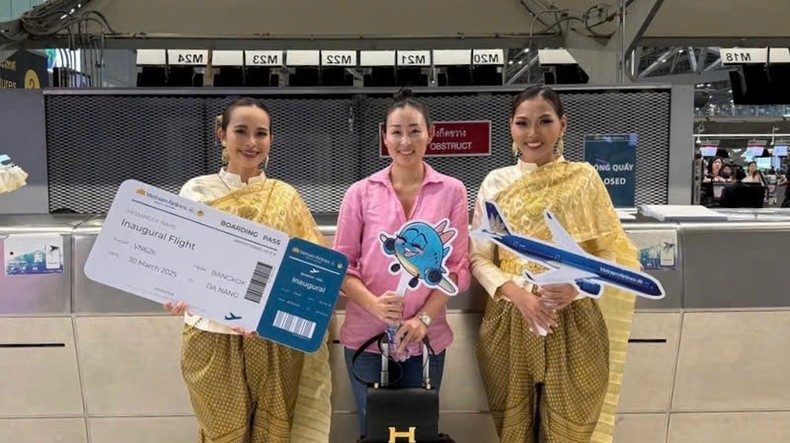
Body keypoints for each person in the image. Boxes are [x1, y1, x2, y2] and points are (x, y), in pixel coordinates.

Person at [470, 86, 640, 443]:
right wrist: (519, 295)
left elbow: (608, 254)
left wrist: (576, 287)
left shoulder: (584, 180)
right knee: (514, 430)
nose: (533, 134)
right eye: (523, 123)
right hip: (510, 318)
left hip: (574, 319)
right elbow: (479, 256)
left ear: (562, 125)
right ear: (511, 128)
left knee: (569, 431)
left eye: (545, 121)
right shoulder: (495, 183)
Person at [163, 97, 332, 443]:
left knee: (275, 434)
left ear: (271, 139)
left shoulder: (285, 197)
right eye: (241, 131)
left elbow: (315, 270)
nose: (251, 142)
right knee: (222, 435)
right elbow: (175, 264)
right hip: (210, 336)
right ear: (221, 134)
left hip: (272, 339)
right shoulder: (195, 193)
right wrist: (174, 293)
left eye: (261, 133)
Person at [333, 90, 471, 440]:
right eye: (396, 131)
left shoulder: (452, 191)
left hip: (426, 338)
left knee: (420, 431)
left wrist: (423, 318)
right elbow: (343, 268)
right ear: (384, 137)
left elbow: (456, 268)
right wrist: (375, 305)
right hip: (367, 337)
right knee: (375, 430)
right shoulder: (360, 193)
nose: (405, 141)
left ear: (431, 134)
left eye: (414, 130)